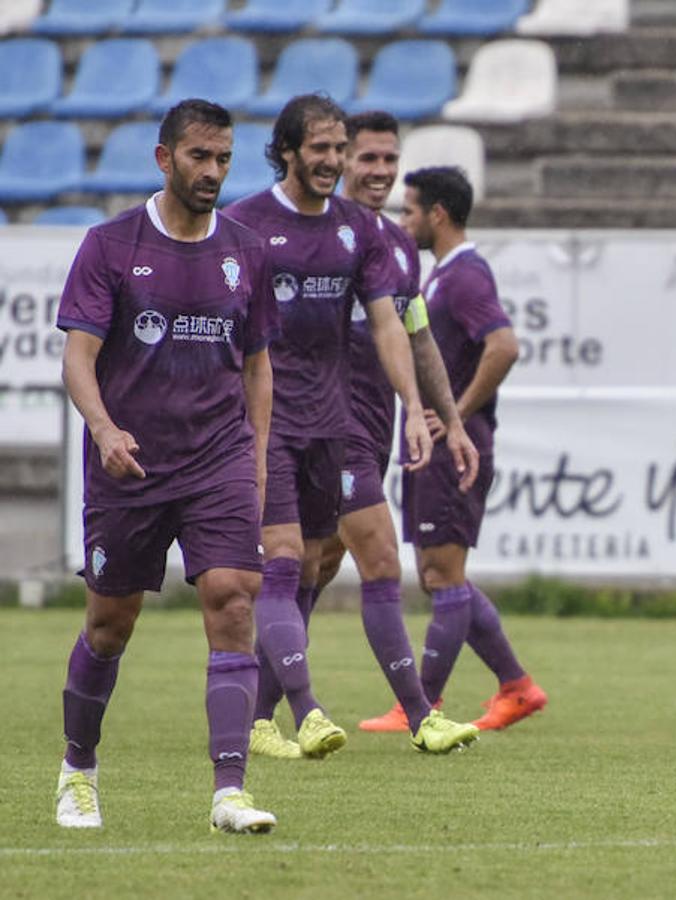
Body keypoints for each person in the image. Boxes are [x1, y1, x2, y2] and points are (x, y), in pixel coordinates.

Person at [54, 99, 278, 832]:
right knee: (110, 624)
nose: (212, 171)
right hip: (132, 466)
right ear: (164, 158)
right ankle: (78, 770)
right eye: (198, 157)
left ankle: (229, 792)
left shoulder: (246, 250)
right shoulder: (111, 245)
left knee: (234, 599)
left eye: (223, 159)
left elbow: (257, 370)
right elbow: (78, 357)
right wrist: (104, 428)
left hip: (217, 458)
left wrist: (258, 459)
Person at [224, 94, 468, 758]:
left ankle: (262, 716)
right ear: (288, 152)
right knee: (284, 565)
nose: (333, 161)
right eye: (323, 149)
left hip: (334, 425)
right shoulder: (243, 226)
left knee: (310, 567)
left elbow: (392, 324)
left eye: (341, 148)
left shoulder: (359, 231)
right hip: (268, 425)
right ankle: (313, 711)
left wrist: (416, 407)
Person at [305, 110, 481, 745]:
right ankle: (420, 714)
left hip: (375, 430)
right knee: (379, 559)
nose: (379, 171)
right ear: (338, 160)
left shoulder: (400, 246)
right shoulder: (311, 237)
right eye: (367, 158)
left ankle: (267, 710)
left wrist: (450, 421)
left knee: (315, 567)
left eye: (389, 160)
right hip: (324, 429)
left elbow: (419, 337)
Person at [360, 165, 547, 734]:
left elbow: (504, 346)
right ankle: (516, 687)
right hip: (438, 448)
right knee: (442, 574)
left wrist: (455, 416)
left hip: (455, 448)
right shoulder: (441, 276)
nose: (402, 220)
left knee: (443, 575)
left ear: (437, 214)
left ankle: (422, 704)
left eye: (409, 210)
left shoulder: (464, 276)